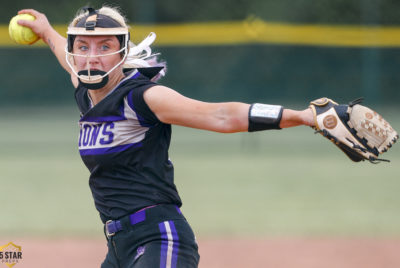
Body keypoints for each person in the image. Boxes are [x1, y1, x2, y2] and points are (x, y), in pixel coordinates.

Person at [17, 6, 314, 268]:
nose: (92, 57)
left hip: (159, 238)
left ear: (122, 53)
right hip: (118, 247)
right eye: (82, 47)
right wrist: (45, 32)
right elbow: (65, 54)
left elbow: (221, 116)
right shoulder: (87, 94)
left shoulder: (142, 97)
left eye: (105, 46)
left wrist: (302, 117)